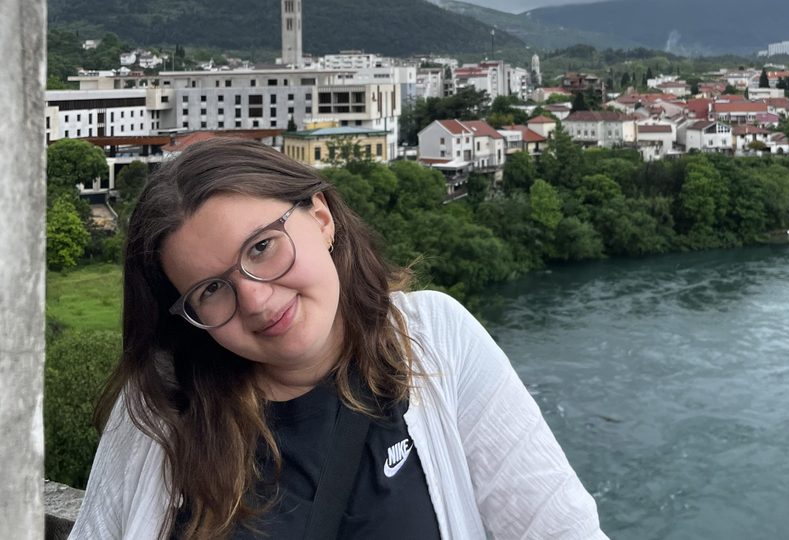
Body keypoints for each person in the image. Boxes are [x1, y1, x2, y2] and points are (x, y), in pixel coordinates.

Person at [69, 138, 605, 540]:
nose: (255, 300)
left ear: (321, 218)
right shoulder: (163, 406)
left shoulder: (437, 340)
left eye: (261, 248)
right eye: (212, 289)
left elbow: (558, 528)